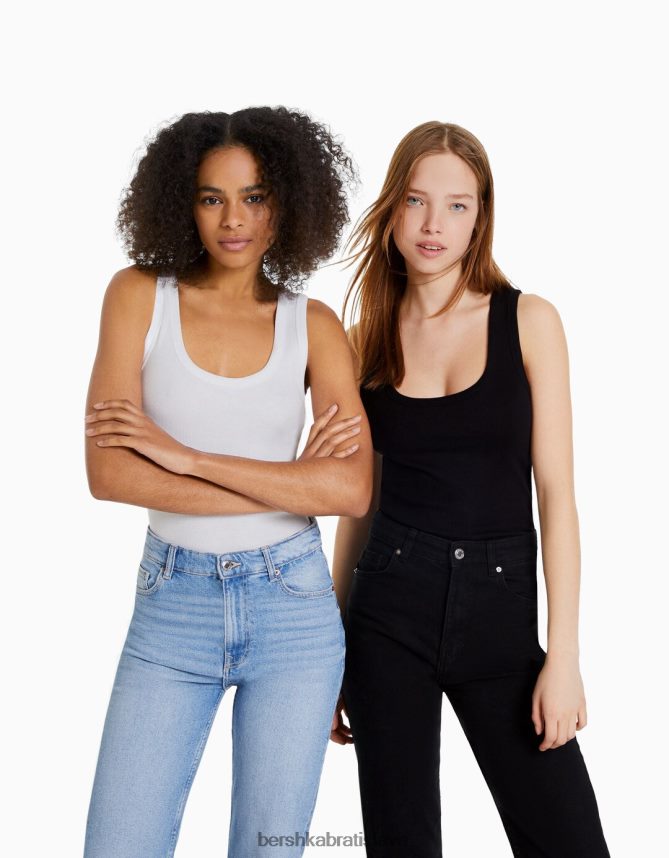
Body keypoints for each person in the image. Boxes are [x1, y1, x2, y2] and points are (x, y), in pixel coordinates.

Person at [82, 107, 373, 858]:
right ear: (183, 202)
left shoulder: (312, 325)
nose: (233, 219)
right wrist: (291, 483)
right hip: (171, 609)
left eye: (254, 197)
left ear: (287, 205)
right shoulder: (138, 296)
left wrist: (185, 458)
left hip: (294, 612)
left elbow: (349, 491)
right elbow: (109, 473)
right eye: (212, 197)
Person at [330, 121, 610, 857]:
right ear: (392, 208)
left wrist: (563, 656)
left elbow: (556, 494)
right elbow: (359, 505)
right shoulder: (365, 339)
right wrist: (330, 648)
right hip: (386, 612)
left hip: (500, 616)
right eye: (417, 201)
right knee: (402, 843)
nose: (434, 225)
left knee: (569, 841)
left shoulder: (528, 320)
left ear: (480, 216)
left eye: (456, 205)